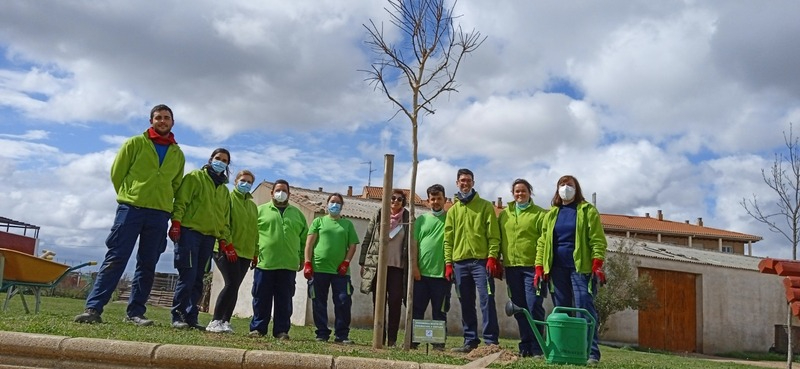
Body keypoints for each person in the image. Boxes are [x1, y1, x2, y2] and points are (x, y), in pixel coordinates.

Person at [75, 104, 185, 325]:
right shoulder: (135, 143)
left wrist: (164, 205)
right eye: (158, 118)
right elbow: (118, 172)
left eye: (166, 118)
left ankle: (135, 313)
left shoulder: (178, 153)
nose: (162, 121)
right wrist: (131, 195)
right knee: (116, 257)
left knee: (147, 263)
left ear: (172, 122)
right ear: (151, 121)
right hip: (131, 209)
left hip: (159, 213)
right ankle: (93, 308)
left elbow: (176, 183)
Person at [535, 175, 607, 365]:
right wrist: (539, 266)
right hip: (556, 268)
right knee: (562, 310)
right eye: (562, 184)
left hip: (580, 268)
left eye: (570, 185)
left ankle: (591, 353)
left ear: (577, 189)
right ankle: (566, 350)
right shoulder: (551, 214)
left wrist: (597, 263)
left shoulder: (587, 210)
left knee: (584, 306)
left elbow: (597, 239)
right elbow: (542, 242)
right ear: (557, 189)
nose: (565, 188)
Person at [169, 148, 232, 330]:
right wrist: (176, 222)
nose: (220, 162)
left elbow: (224, 218)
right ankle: (178, 315)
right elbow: (181, 201)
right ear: (211, 159)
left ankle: (191, 317)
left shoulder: (224, 190)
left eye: (225, 160)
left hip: (209, 237)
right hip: (190, 232)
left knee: (198, 278)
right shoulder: (195, 177)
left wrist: (223, 239)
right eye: (218, 158)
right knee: (187, 276)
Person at [444, 168, 502, 353]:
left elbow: (494, 235)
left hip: (481, 263)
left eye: (468, 180)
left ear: (473, 183)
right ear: (457, 183)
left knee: (487, 300)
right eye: (462, 180)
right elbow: (448, 239)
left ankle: (491, 341)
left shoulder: (485, 206)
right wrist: (448, 263)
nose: (465, 183)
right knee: (466, 302)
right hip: (460, 263)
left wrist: (492, 257)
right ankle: (470, 341)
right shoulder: (453, 211)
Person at [249, 179, 308, 339]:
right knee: (261, 298)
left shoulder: (297, 214)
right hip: (265, 263)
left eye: (284, 191)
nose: (281, 193)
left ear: (289, 194)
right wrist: (253, 253)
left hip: (288, 265)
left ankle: (282, 331)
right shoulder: (260, 211)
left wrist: (302, 257)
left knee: (285, 300)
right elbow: (253, 234)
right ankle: (258, 328)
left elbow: (304, 239)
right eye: (278, 190)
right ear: (272, 193)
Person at [498, 179, 547, 357]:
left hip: (533, 268)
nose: (520, 194)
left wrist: (541, 265)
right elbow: (499, 238)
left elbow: (544, 241)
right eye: (517, 191)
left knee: (534, 306)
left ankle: (537, 346)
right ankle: (525, 345)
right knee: (519, 309)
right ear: (513, 194)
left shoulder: (540, 214)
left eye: (523, 191)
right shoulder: (505, 214)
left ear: (529, 192)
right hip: (512, 268)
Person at [206, 170, 258, 333]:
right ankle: (215, 320)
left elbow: (255, 231)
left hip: (245, 252)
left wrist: (255, 252)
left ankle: (225, 321)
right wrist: (227, 244)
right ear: (235, 181)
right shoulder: (228, 198)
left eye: (249, 182)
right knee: (231, 284)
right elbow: (223, 222)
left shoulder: (252, 205)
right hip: (225, 249)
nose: (246, 184)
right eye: (243, 180)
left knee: (235, 286)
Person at [303, 193, 359, 344]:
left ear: (342, 206)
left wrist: (346, 262)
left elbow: (353, 245)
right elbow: (309, 244)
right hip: (319, 268)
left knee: (343, 301)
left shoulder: (347, 224)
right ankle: (322, 333)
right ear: (327, 204)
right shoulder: (318, 221)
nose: (335, 205)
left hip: (340, 272)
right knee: (318, 301)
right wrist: (307, 263)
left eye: (338, 202)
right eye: (332, 202)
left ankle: (342, 335)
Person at [359, 189, 410, 347]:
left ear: (403, 202)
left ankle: (392, 340)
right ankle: (379, 337)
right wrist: (363, 262)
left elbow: (411, 244)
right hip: (378, 267)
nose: (395, 201)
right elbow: (368, 238)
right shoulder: (380, 214)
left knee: (395, 303)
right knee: (378, 302)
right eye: (392, 198)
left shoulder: (408, 218)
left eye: (399, 199)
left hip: (397, 268)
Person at [410, 184, 450, 351]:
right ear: (427, 201)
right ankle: (413, 342)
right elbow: (414, 245)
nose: (435, 201)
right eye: (432, 199)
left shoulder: (450, 219)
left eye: (438, 198)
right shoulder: (421, 220)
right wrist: (415, 268)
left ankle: (438, 344)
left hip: (442, 276)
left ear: (444, 199)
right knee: (417, 309)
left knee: (439, 312)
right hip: (421, 275)